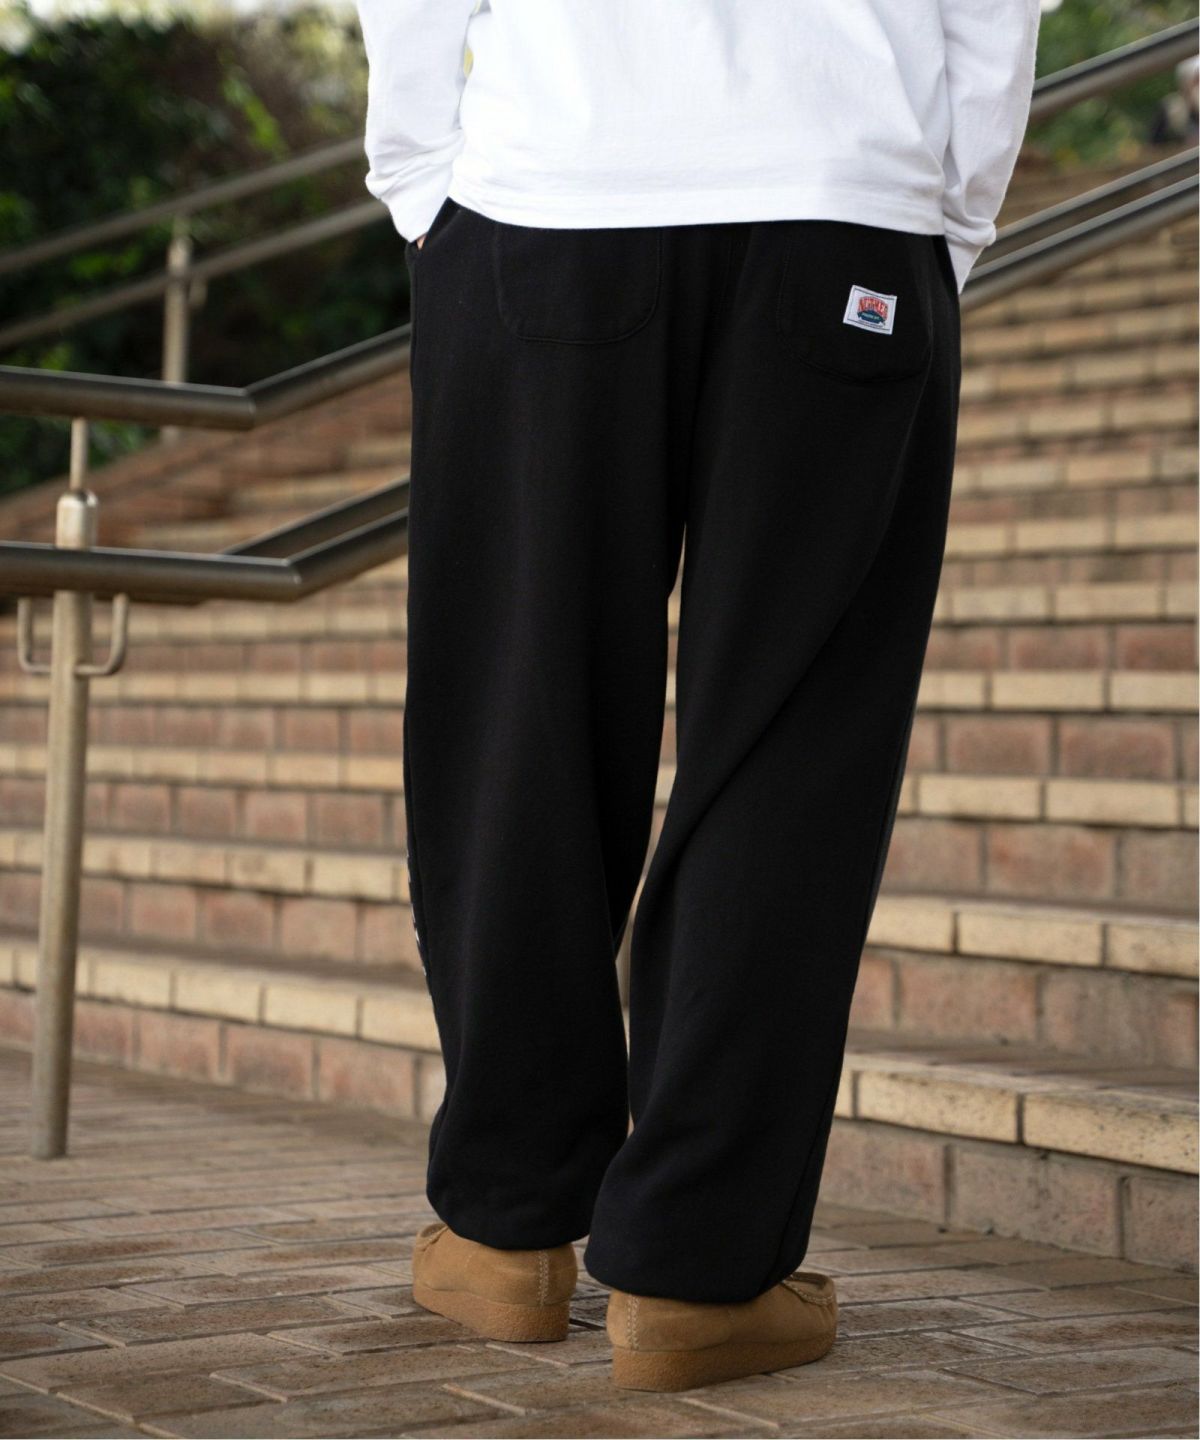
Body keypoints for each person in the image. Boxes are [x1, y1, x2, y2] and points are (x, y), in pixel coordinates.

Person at [354, 0, 1040, 1392]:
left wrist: (422, 175)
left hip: (547, 195)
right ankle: (697, 1271)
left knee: (519, 722)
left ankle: (504, 1229)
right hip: (842, 205)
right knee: (793, 749)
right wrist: (936, 213)